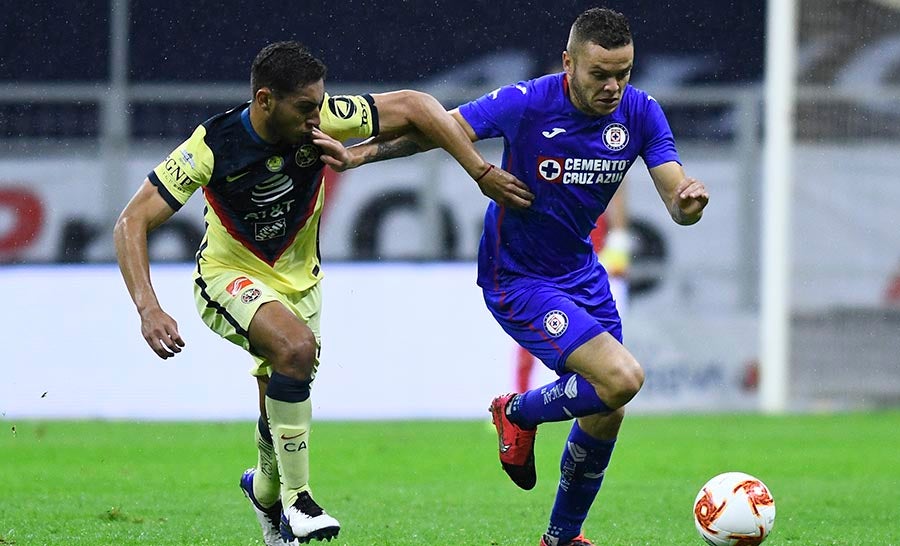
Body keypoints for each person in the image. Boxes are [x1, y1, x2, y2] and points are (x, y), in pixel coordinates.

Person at [113, 41, 533, 546]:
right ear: (265, 101)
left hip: (301, 282)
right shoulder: (211, 146)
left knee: (282, 394)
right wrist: (148, 308)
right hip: (229, 275)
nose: (319, 117)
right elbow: (132, 221)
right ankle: (300, 502)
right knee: (295, 350)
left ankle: (265, 492)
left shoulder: (323, 118)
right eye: (306, 107)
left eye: (321, 104)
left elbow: (420, 107)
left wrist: (479, 171)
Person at [333, 8, 709, 545]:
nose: (612, 86)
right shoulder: (528, 102)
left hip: (582, 272)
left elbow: (676, 195)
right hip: (518, 278)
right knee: (621, 379)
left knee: (607, 409)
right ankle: (517, 412)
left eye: (623, 72)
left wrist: (688, 202)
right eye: (599, 73)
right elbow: (439, 129)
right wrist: (363, 153)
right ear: (568, 63)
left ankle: (561, 537)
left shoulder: (642, 113)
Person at [514, 188, 631, 392]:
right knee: (533, 331)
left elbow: (618, 186)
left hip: (591, 252)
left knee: (598, 337)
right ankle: (519, 397)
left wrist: (618, 241)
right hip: (551, 252)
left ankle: (590, 400)